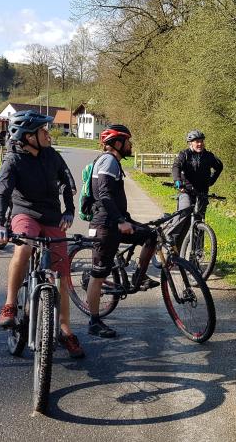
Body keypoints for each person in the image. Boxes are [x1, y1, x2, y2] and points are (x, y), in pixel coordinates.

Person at [0, 110, 84, 358]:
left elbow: (66, 182)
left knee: (62, 274)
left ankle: (65, 329)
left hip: (52, 216)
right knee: (25, 245)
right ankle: (10, 304)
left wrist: (70, 211)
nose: (48, 134)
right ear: (29, 136)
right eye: (44, 131)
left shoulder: (51, 155)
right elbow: (2, 193)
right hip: (25, 214)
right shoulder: (13, 161)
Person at [84, 125, 160, 338]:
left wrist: (125, 220)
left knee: (150, 235)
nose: (131, 145)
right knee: (98, 275)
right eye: (128, 141)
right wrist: (119, 221)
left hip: (116, 221)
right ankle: (94, 322)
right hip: (105, 225)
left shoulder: (113, 161)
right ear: (118, 143)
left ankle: (140, 277)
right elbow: (105, 194)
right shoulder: (108, 160)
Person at [168, 129, 223, 249]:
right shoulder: (185, 155)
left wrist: (211, 181)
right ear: (190, 143)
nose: (200, 144)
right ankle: (170, 239)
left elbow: (219, 166)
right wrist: (177, 181)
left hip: (202, 193)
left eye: (201, 141)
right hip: (186, 191)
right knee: (185, 213)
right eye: (197, 141)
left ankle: (196, 255)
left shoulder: (208, 156)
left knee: (199, 223)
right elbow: (176, 166)